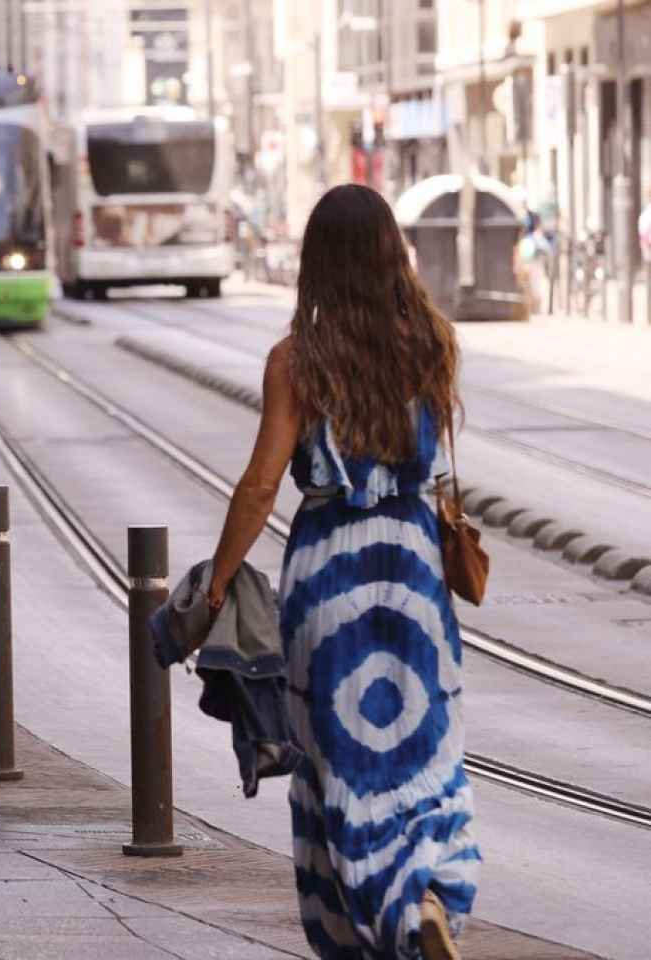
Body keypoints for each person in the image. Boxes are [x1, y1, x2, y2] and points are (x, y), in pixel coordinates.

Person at [202, 185, 476, 960]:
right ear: (394, 254)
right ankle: (425, 893)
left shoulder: (296, 361)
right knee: (424, 749)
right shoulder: (432, 342)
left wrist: (221, 580)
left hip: (328, 572)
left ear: (315, 263)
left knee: (336, 759)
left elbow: (261, 484)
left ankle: (371, 924)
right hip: (416, 566)